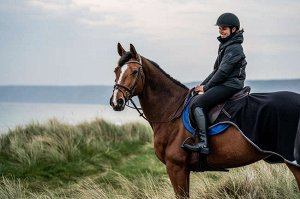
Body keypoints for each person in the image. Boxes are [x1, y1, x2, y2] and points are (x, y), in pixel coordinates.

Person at [183, 13, 247, 154]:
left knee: (198, 104)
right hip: (225, 82)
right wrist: (202, 85)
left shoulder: (234, 48)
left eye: (224, 28)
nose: (221, 31)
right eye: (220, 28)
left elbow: (223, 73)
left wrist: (206, 88)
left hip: (231, 85)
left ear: (234, 30)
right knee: (197, 98)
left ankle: (204, 144)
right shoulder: (226, 45)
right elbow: (216, 71)